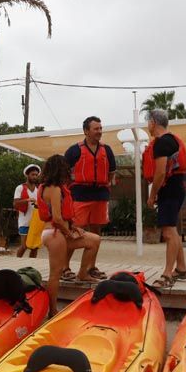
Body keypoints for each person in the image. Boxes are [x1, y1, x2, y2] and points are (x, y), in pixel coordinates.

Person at [37, 154, 100, 315]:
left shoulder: (55, 188)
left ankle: (83, 273)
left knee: (94, 240)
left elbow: (63, 217)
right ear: (60, 170)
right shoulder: (55, 189)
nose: (68, 171)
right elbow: (57, 218)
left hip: (59, 232)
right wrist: (69, 234)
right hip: (55, 233)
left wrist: (74, 228)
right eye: (65, 169)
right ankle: (52, 310)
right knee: (55, 274)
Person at [63, 116, 115, 280]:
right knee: (74, 232)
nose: (100, 131)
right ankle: (64, 267)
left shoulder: (107, 150)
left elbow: (112, 171)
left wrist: (107, 183)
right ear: (86, 131)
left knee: (96, 232)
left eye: (100, 128)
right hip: (79, 195)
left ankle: (91, 267)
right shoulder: (74, 150)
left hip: (100, 195)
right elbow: (63, 172)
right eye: (96, 129)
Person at [143, 109, 186, 288]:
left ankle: (167, 274)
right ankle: (182, 269)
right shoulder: (171, 140)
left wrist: (152, 195)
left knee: (168, 233)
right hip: (177, 188)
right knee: (172, 230)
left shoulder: (162, 143)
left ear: (153, 122)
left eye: (148, 121)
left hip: (169, 189)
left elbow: (161, 172)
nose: (147, 125)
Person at [13, 164, 41, 258]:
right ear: (27, 175)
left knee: (35, 247)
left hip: (35, 222)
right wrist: (27, 200)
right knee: (24, 246)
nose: (35, 177)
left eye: (36, 175)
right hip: (24, 221)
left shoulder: (38, 190)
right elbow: (15, 204)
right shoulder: (20, 188)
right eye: (33, 174)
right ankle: (17, 263)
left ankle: (31, 266)